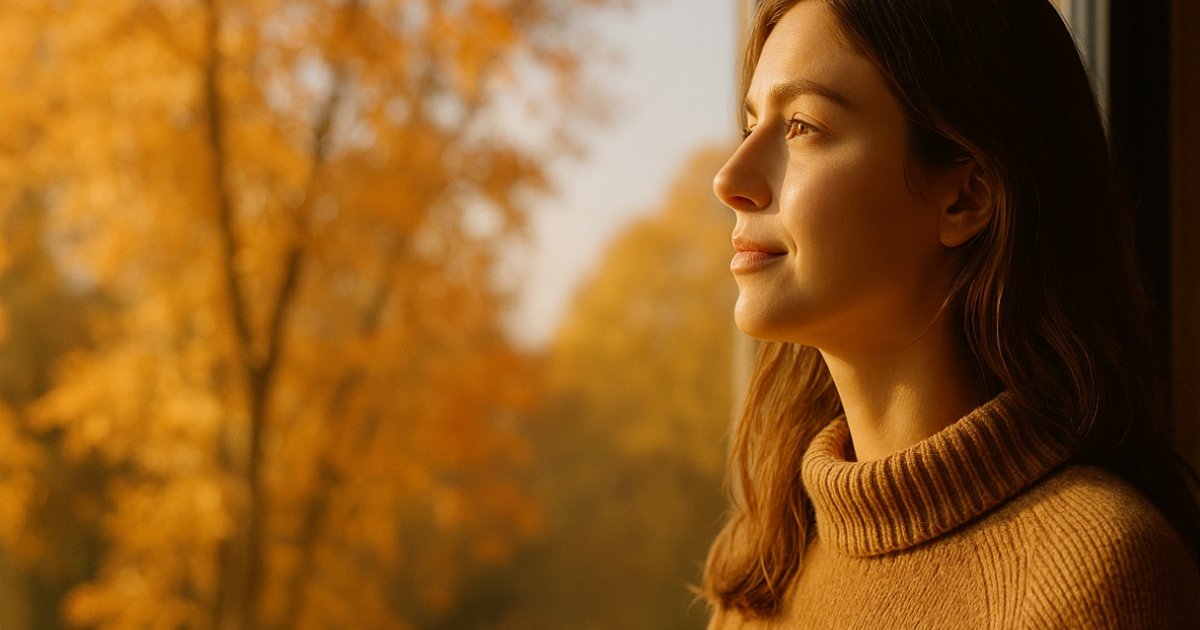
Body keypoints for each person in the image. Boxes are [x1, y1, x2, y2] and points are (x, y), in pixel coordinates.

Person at [703, 0, 1200, 627]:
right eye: (752, 127)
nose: (731, 177)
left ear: (964, 197)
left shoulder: (1093, 576)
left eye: (802, 125)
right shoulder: (770, 562)